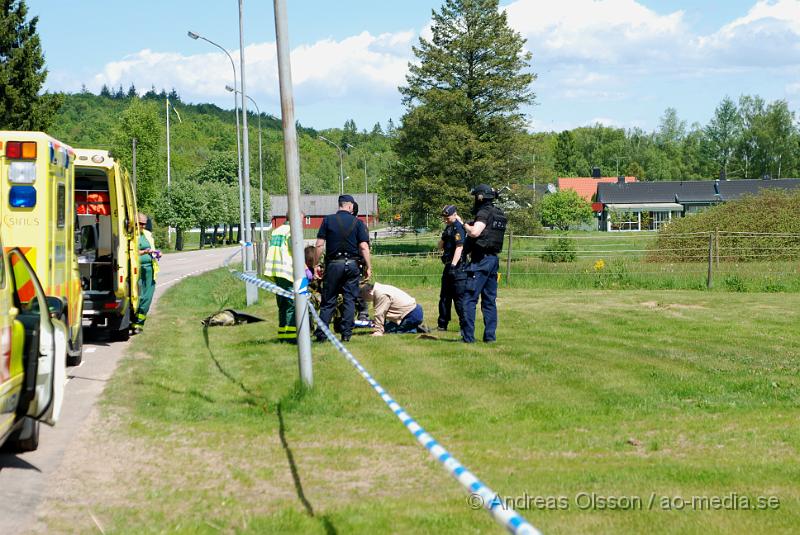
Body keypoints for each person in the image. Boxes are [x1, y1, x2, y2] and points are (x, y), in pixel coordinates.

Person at [313, 194, 371, 342]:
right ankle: (346, 334)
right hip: (352, 265)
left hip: (333, 264)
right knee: (349, 300)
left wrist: (315, 265)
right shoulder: (357, 223)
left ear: (340, 205)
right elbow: (364, 246)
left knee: (328, 301)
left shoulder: (327, 220)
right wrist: (368, 266)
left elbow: (319, 245)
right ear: (350, 206)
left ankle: (321, 334)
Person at [462, 184, 507, 343]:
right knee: (489, 301)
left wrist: (464, 225)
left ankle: (468, 338)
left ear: (480, 197)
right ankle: (490, 337)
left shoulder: (484, 212)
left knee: (469, 298)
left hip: (481, 260)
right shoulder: (499, 214)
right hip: (493, 260)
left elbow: (475, 232)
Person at [265, 216, 297, 342]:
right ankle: (291, 337)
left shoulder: (277, 231)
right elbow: (295, 250)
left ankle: (283, 336)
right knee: (292, 305)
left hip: (277, 272)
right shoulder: (291, 231)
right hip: (287, 271)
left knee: (282, 305)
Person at [437, 205, 466, 332]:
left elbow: (459, 248)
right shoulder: (448, 228)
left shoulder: (459, 228)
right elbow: (440, 246)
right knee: (444, 297)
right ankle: (442, 325)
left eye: (447, 217)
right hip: (448, 265)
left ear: (455, 214)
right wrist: (443, 237)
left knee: (459, 298)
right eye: (444, 218)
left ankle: (464, 326)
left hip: (458, 267)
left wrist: (453, 266)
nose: (445, 220)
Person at [360, 282, 427, 336]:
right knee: (386, 328)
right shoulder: (380, 289)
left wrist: (378, 331)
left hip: (411, 315)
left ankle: (413, 329)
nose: (364, 299)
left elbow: (380, 313)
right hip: (412, 312)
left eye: (363, 296)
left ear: (369, 291)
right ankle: (412, 326)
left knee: (389, 332)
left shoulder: (380, 294)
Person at [132, 212, 160, 333]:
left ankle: (139, 323)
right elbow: (128, 252)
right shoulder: (130, 235)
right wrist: (143, 252)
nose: (143, 226)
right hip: (135, 269)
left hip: (150, 269)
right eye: (140, 224)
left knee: (147, 297)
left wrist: (156, 253)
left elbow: (152, 249)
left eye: (144, 224)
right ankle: (134, 321)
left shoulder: (147, 234)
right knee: (137, 296)